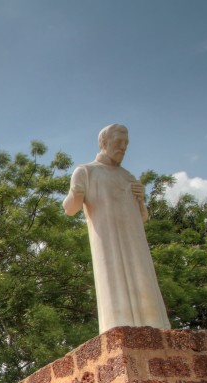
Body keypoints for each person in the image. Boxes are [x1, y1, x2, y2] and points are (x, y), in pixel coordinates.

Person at [62, 124, 170, 334]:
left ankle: (155, 328)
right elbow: (70, 209)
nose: (123, 148)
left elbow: (143, 217)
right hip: (108, 241)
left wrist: (141, 200)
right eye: (118, 143)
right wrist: (76, 192)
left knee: (144, 284)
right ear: (103, 143)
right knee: (114, 286)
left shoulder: (128, 177)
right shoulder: (86, 171)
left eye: (126, 144)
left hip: (135, 241)